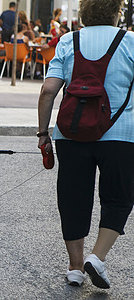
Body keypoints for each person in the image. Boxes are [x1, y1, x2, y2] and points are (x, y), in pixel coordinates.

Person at [37, 0, 134, 289]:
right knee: (118, 197)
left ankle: (75, 267)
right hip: (121, 135)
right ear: (116, 12)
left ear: (84, 13)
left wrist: (43, 133)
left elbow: (48, 90)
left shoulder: (69, 40)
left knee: (72, 197)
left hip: (72, 133)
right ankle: (98, 256)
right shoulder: (130, 41)